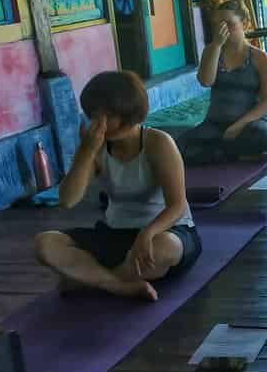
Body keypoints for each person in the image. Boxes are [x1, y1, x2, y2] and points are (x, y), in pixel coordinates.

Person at [34, 71, 201, 302]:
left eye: (107, 115)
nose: (98, 123)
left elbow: (177, 205)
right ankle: (118, 285)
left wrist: (147, 233)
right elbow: (67, 200)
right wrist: (86, 151)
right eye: (94, 115)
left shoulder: (158, 143)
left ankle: (90, 279)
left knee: (165, 248)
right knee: (45, 243)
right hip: (114, 233)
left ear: (125, 114)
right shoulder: (96, 148)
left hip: (165, 231)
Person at [179, 0, 267, 165]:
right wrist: (216, 45)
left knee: (262, 136)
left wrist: (238, 125)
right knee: (182, 146)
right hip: (215, 124)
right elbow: (206, 81)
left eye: (229, 24)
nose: (223, 30)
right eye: (218, 25)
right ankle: (234, 155)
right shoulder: (211, 51)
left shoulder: (260, 57)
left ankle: (218, 153)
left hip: (247, 125)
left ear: (244, 24)